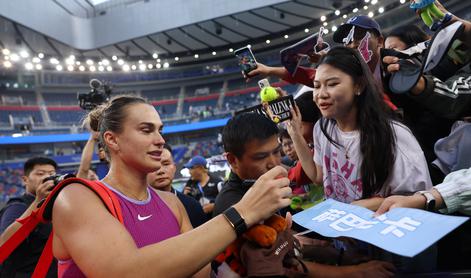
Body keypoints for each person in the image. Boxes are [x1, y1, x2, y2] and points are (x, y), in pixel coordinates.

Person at [51, 95, 293, 277]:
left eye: (160, 130)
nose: (160, 140)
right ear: (112, 140)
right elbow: (125, 272)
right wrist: (243, 212)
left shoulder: (171, 202)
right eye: (146, 130)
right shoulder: (76, 197)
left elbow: (201, 272)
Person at [213, 112, 395, 278]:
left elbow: (287, 246)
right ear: (232, 160)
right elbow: (286, 267)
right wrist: (356, 272)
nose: (273, 163)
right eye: (260, 157)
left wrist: (337, 253)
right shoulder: (234, 207)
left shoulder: (264, 187)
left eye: (277, 152)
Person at [288, 46, 432, 211]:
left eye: (332, 84)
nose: (321, 94)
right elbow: (318, 176)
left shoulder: (395, 136)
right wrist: (294, 133)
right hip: (341, 234)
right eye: (317, 85)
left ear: (359, 85)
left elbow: (419, 199)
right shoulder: (322, 128)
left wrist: (361, 207)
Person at [248, 15, 398, 112]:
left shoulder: (396, 63)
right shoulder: (350, 71)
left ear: (379, 41)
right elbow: (306, 75)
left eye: (359, 37)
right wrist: (268, 70)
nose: (352, 44)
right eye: (348, 40)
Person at [382, 1, 471, 120]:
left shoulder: (451, 57)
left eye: (392, 48)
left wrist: (421, 84)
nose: (390, 53)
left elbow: (454, 97)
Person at [0, 157, 58, 277]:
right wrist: (38, 201)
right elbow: (4, 244)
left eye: (52, 174)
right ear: (25, 180)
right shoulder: (17, 206)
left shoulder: (56, 205)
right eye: (40, 173)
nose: (46, 177)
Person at [147, 143, 207, 227]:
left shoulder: (192, 206)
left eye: (166, 164)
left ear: (174, 168)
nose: (160, 171)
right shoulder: (134, 210)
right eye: (153, 165)